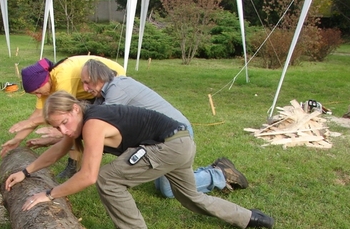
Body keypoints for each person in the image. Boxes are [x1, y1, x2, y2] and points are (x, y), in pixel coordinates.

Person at [5, 91, 274, 229]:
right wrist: (26, 172)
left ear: (75, 109)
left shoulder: (93, 123)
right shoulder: (85, 119)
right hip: (180, 142)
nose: (64, 131)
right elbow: (59, 150)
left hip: (168, 146)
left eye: (65, 123)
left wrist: (49, 194)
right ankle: (251, 218)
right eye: (58, 127)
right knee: (191, 197)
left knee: (107, 178)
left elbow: (88, 176)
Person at [80, 58, 249, 197]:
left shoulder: (118, 88)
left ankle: (220, 173)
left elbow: (101, 127)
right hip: (159, 137)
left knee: (168, 190)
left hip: (175, 135)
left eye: (87, 83)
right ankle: (215, 172)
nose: (85, 89)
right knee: (164, 186)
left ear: (100, 76)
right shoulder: (106, 94)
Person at [0, 55, 125, 180]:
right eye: (34, 94)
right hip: (87, 90)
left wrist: (31, 123)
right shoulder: (45, 85)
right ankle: (74, 165)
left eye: (38, 91)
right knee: (71, 127)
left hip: (110, 78)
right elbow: (37, 114)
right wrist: (17, 139)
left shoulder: (62, 77)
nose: (38, 96)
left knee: (86, 124)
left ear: (45, 81)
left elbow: (63, 113)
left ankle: (97, 161)